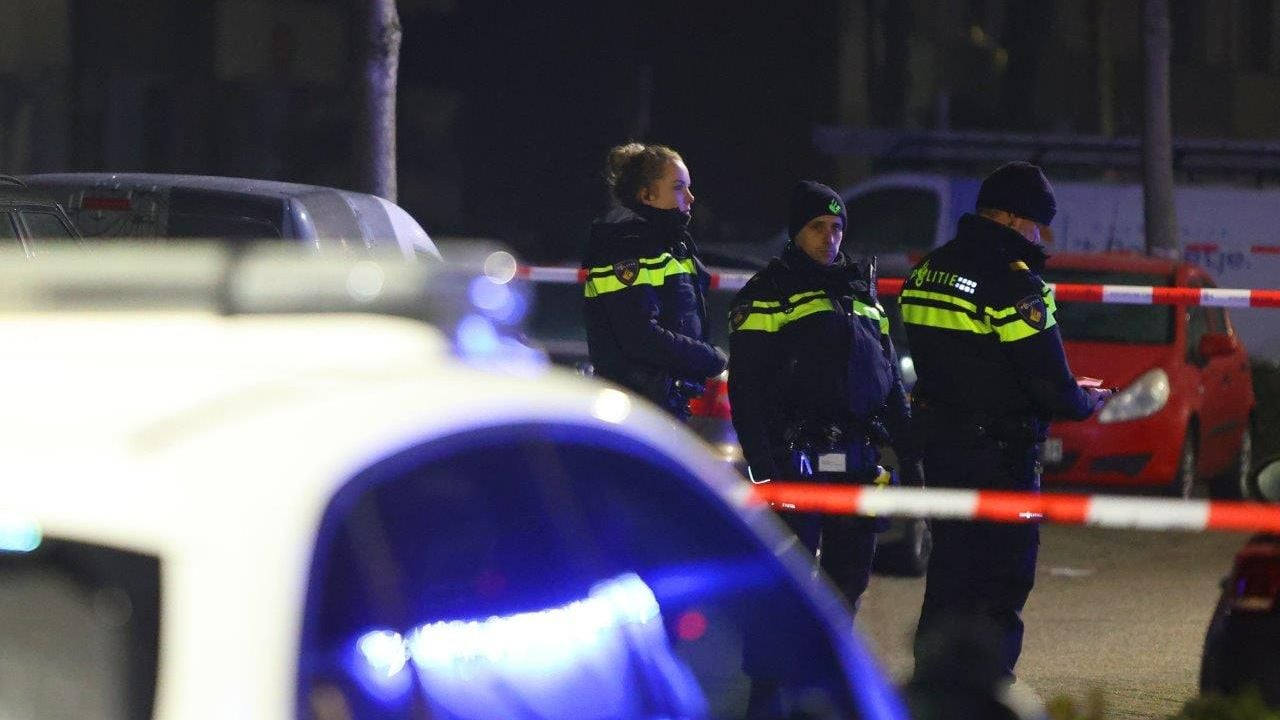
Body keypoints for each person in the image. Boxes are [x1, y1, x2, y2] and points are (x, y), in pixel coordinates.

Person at [899, 161, 1112, 681]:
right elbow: (1050, 386)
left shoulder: (928, 270)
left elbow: (968, 362)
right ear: (1017, 219)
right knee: (999, 587)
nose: (1040, 237)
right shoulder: (1015, 285)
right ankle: (987, 698)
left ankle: (931, 695)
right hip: (1000, 462)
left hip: (942, 452)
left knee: (948, 579)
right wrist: (1088, 400)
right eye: (1039, 225)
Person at [728, 180, 919, 718]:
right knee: (783, 590)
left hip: (856, 462)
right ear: (797, 231)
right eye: (818, 227)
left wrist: (912, 454)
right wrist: (766, 469)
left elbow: (887, 383)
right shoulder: (769, 292)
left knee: (847, 586)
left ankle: (825, 695)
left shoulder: (860, 291)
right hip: (795, 459)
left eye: (837, 228)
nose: (829, 237)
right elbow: (748, 390)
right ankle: (766, 703)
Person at [582, 142, 727, 420]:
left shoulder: (671, 243)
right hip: (637, 406)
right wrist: (709, 358)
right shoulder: (624, 246)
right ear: (646, 195)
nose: (690, 197)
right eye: (678, 187)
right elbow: (639, 336)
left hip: (666, 402)